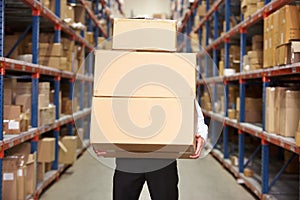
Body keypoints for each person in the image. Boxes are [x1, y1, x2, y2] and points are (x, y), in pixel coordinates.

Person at [94, 99, 208, 200]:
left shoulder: (172, 75)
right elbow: (106, 96)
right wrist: (98, 135)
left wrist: (201, 132)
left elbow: (187, 96)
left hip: (164, 155)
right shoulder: (121, 75)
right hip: (128, 155)